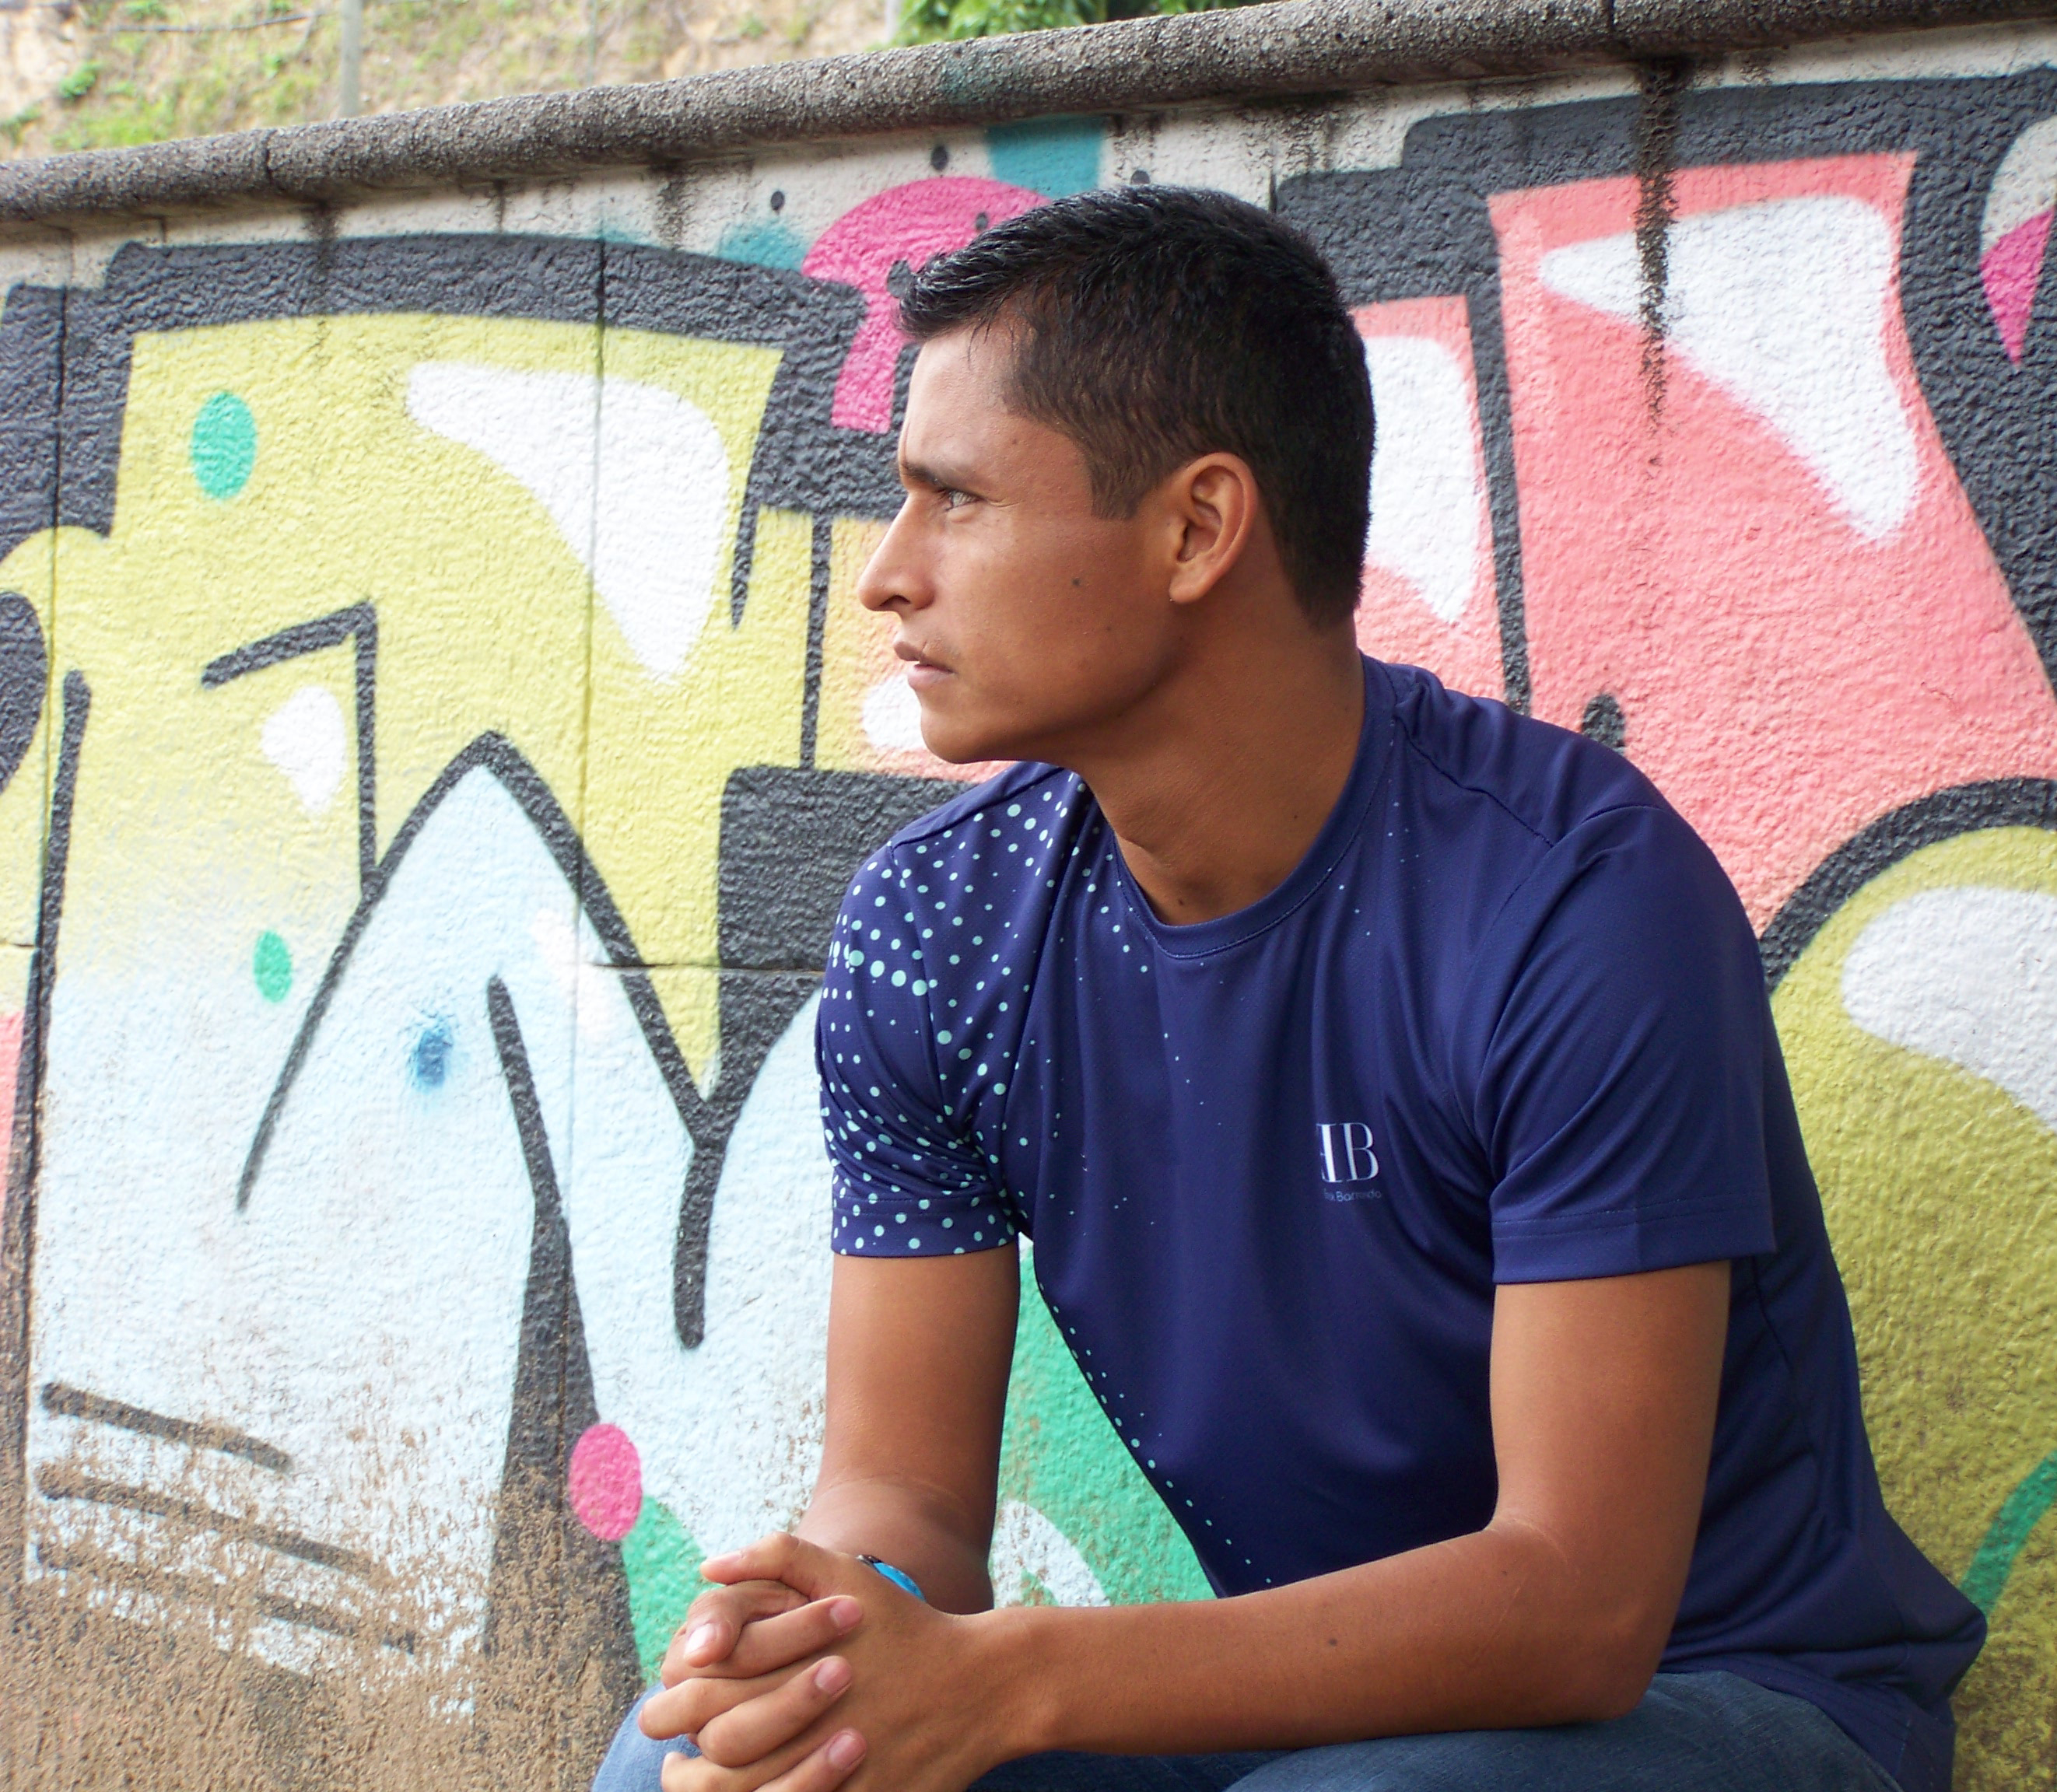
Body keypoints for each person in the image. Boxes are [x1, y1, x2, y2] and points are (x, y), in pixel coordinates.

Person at [590, 184, 1982, 1792]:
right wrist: (822, 1646)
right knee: (691, 1766)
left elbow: (1579, 1609)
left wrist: (1011, 1680)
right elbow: (901, 1499)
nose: (887, 575)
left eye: (955, 500)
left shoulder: (1573, 903)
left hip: (1731, 1704)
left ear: (1197, 529)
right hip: (1312, 1724)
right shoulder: (936, 927)